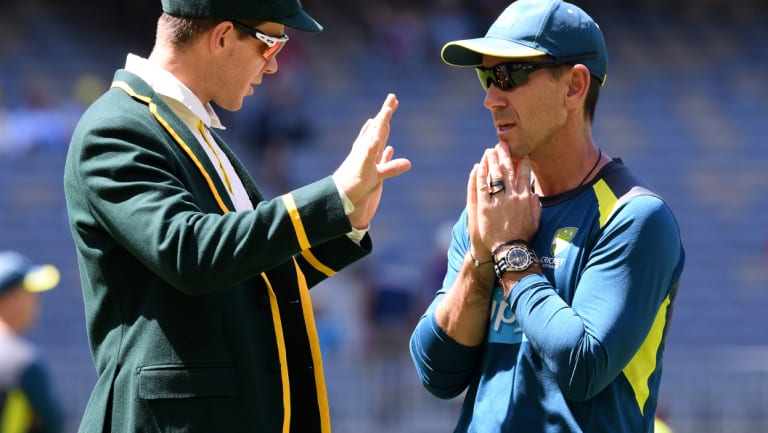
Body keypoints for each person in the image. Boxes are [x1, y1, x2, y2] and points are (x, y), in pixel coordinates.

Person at [62, 1, 410, 432]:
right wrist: (331, 196)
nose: (274, 67)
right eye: (271, 45)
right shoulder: (116, 126)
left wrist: (346, 222)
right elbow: (188, 252)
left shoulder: (191, 128)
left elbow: (250, 275)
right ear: (223, 36)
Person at [409, 1, 685, 432]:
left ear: (574, 87)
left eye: (508, 75)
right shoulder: (489, 210)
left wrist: (509, 252)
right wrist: (479, 266)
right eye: (486, 76)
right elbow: (437, 373)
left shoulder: (635, 218)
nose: (490, 98)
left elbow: (582, 366)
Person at [0, 251, 63, 433]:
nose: (37, 302)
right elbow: (52, 425)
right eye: (31, 294)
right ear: (12, 298)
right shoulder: (22, 362)